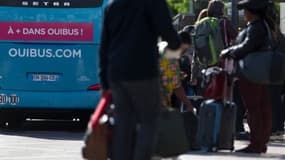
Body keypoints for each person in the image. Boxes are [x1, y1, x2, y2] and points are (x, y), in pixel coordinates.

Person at [98, 0, 183, 160]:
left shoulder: (113, 6)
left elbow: (104, 45)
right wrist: (176, 45)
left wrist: (104, 81)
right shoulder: (153, 3)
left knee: (123, 123)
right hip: (143, 72)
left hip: (116, 73)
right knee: (149, 120)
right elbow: (167, 30)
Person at [220, 0, 276, 153]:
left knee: (253, 109)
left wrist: (227, 52)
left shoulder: (255, 27)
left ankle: (256, 143)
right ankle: (261, 141)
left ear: (252, 12)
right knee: (262, 107)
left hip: (251, 71)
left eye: (245, 10)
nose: (244, 13)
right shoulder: (264, 26)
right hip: (261, 72)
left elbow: (247, 46)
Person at [160, 31, 194, 112]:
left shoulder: (162, 47)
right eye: (184, 50)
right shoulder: (172, 58)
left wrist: (177, 74)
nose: (184, 53)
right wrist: (190, 106)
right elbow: (177, 89)